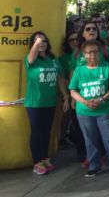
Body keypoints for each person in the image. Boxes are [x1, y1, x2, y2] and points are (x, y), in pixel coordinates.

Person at [68, 39, 109, 177]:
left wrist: (102, 99)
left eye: (94, 51)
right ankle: (94, 165)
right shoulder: (79, 70)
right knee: (90, 139)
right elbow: (73, 90)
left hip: (105, 109)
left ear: (99, 52)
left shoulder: (107, 67)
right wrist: (85, 102)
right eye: (88, 52)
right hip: (84, 111)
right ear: (83, 55)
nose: (91, 55)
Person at [25, 32, 70, 175]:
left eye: (44, 40)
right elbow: (31, 59)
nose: (41, 43)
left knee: (46, 132)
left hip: (50, 102)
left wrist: (65, 96)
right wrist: (36, 44)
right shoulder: (32, 59)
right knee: (37, 132)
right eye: (37, 41)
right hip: (35, 103)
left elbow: (59, 79)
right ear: (33, 44)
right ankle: (37, 162)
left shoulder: (53, 59)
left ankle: (44, 158)